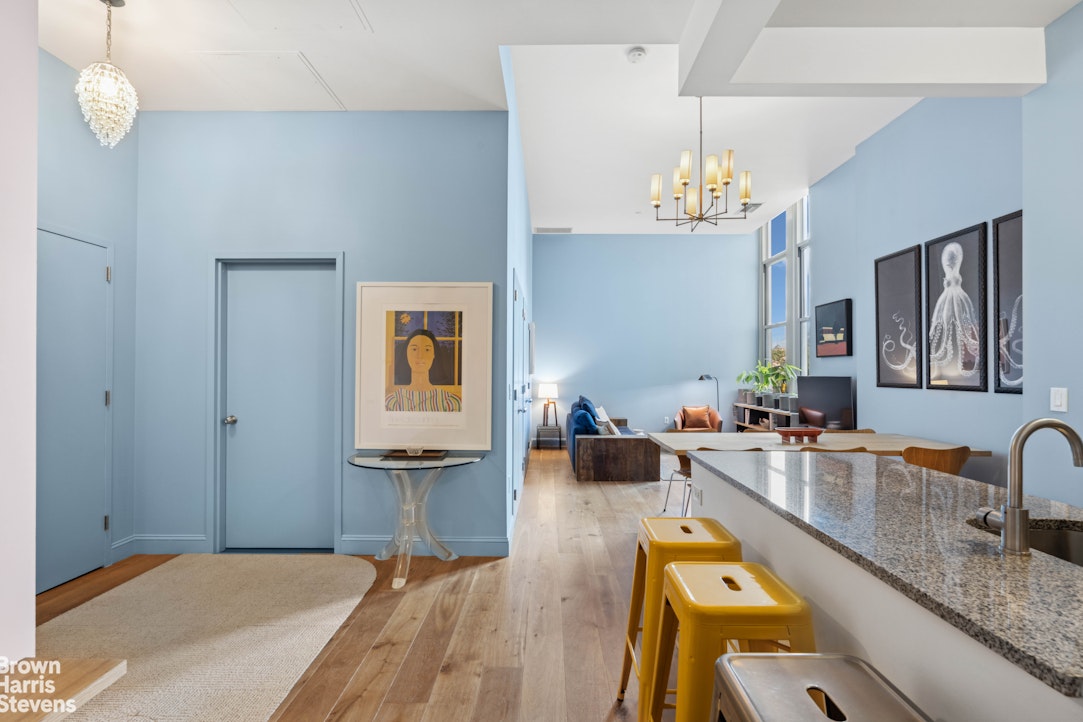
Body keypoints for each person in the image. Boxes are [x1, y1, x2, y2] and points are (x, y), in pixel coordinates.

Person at [384, 328, 462, 411]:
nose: (420, 356)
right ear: (406, 353)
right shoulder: (392, 402)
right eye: (414, 349)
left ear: (434, 355)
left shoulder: (451, 402)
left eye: (427, 350)